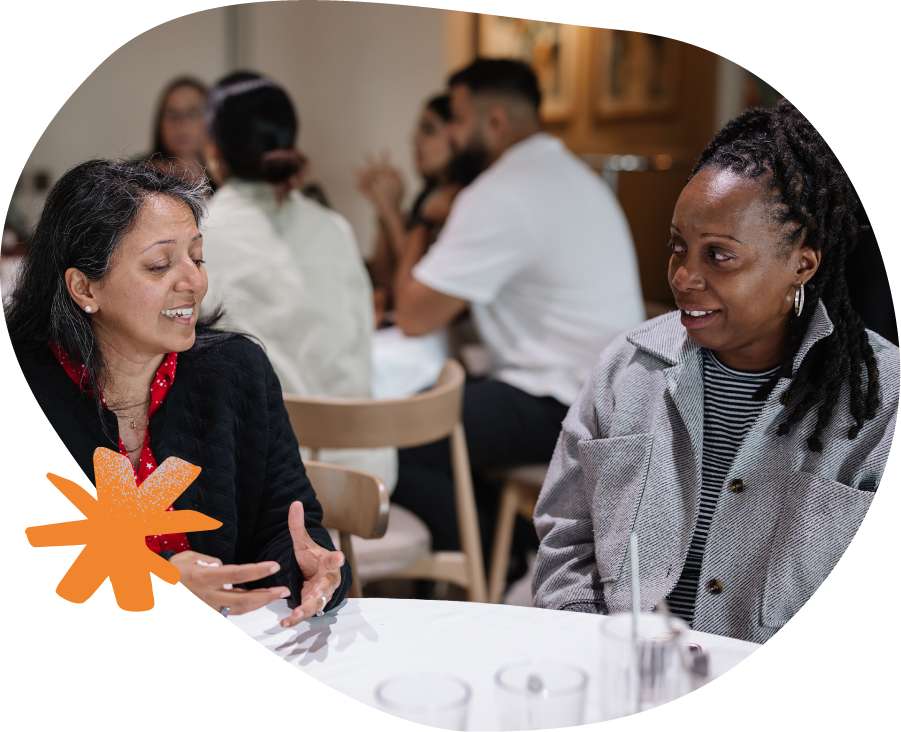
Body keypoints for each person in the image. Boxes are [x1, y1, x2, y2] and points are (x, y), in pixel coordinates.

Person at [531, 99, 898, 643]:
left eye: (719, 255)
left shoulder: (882, 402)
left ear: (801, 263)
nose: (684, 276)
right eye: (678, 247)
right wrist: (599, 652)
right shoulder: (625, 368)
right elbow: (566, 544)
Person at [9, 160, 351, 625]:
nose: (195, 282)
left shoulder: (236, 371)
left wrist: (311, 567)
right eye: (160, 265)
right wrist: (159, 580)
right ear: (84, 287)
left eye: (198, 257)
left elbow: (285, 523)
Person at [388, 59, 646, 578]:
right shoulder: (573, 174)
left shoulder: (500, 191)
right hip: (618, 395)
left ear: (495, 122)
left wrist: (418, 215)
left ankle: (493, 570)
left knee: (399, 434)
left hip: (563, 401)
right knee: (444, 409)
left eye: (457, 119)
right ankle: (516, 551)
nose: (453, 135)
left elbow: (413, 314)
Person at [199, 72, 397, 491]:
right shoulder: (335, 229)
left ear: (213, 151)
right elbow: (362, 344)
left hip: (255, 480)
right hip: (363, 477)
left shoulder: (198, 235)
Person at [355, 94, 470, 326]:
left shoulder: (465, 199)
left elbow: (418, 284)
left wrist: (393, 214)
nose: (414, 138)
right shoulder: (428, 196)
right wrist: (384, 210)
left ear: (457, 134)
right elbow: (385, 277)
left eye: (429, 130)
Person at [147, 77, 211, 186]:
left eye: (192, 113)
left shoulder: (228, 178)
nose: (182, 123)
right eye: (173, 115)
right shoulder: (138, 176)